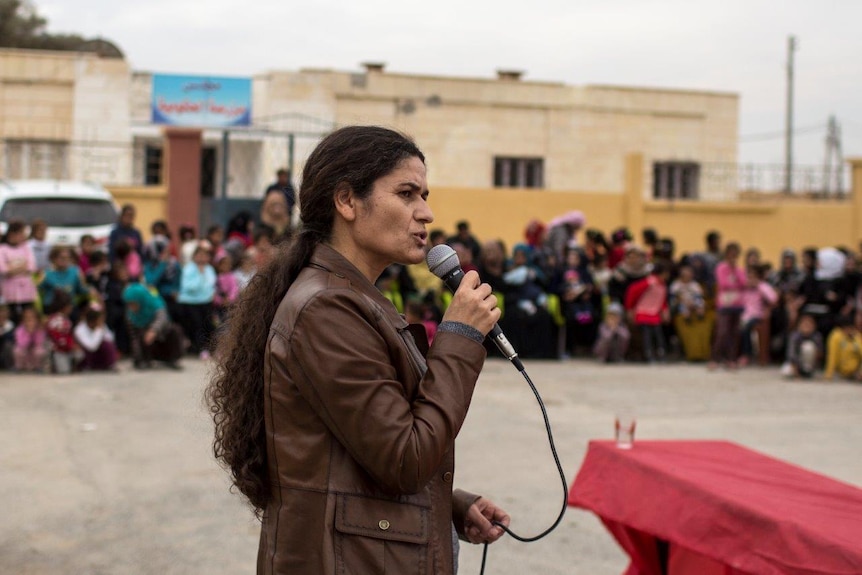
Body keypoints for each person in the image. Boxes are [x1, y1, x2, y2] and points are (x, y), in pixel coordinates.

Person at [207, 126, 509, 575]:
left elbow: (355, 450)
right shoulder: (326, 308)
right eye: (406, 194)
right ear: (346, 201)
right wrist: (460, 338)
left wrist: (448, 503)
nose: (425, 213)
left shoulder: (351, 297)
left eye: (425, 195)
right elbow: (404, 458)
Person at [122, 283, 184, 370]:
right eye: (129, 304)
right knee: (140, 335)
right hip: (147, 346)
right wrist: (137, 357)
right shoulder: (130, 315)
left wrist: (153, 330)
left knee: (175, 330)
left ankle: (172, 359)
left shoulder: (154, 302)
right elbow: (133, 337)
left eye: (133, 303)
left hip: (161, 336)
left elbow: (162, 317)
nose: (131, 307)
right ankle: (144, 360)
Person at [709, 242, 746, 370]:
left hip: (737, 303)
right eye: (731, 254)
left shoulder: (739, 269)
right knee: (722, 332)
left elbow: (743, 283)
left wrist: (735, 272)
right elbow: (723, 284)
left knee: (734, 333)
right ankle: (714, 358)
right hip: (724, 303)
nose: (733, 257)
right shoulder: (721, 268)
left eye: (735, 255)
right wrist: (734, 282)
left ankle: (731, 359)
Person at [625, 261, 670, 363]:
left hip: (655, 314)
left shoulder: (662, 285)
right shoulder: (648, 283)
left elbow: (661, 300)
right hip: (643, 312)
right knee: (647, 335)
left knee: (658, 335)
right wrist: (630, 308)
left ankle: (660, 352)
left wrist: (665, 311)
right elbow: (632, 292)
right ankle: (648, 354)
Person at [178, 244, 217, 358]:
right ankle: (201, 349)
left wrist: (210, 293)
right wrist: (200, 275)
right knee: (197, 325)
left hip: (206, 301)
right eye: (199, 255)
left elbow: (211, 284)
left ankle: (211, 348)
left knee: (209, 324)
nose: (202, 258)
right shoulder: (188, 268)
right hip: (191, 302)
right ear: (194, 256)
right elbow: (189, 287)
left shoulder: (209, 269)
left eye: (204, 255)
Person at [0, 219, 38, 324]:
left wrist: (13, 267)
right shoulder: (2, 249)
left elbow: (31, 266)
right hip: (10, 292)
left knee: (28, 316)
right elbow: (4, 269)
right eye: (21, 233)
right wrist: (22, 266)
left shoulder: (26, 248)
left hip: (27, 291)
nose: (24, 236)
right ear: (13, 234)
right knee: (12, 318)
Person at [73, 303, 117, 371]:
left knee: (107, 344)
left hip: (98, 355)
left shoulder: (101, 325)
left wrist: (102, 330)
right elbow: (92, 347)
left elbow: (110, 339)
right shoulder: (79, 329)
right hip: (87, 356)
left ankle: (108, 365)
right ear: (92, 321)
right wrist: (98, 331)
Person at [782, 314, 823, 379]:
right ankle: (799, 371)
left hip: (809, 363)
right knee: (786, 371)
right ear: (799, 325)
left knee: (808, 346)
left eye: (809, 325)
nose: (807, 327)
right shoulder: (794, 336)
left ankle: (808, 370)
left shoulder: (817, 336)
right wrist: (796, 371)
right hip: (796, 363)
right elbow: (791, 353)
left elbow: (820, 353)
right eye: (805, 324)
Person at [823, 315, 862, 381]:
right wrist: (828, 374)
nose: (848, 330)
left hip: (855, 372)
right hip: (840, 372)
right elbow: (832, 355)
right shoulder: (835, 336)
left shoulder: (857, 336)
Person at [13, 307, 48, 372]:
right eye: (27, 318)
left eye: (32, 318)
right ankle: (19, 367)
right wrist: (28, 333)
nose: (30, 320)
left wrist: (34, 333)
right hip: (24, 351)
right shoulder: (20, 330)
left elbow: (39, 343)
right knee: (17, 350)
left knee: (40, 351)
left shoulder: (40, 329)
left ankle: (38, 367)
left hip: (34, 351)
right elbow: (21, 344)